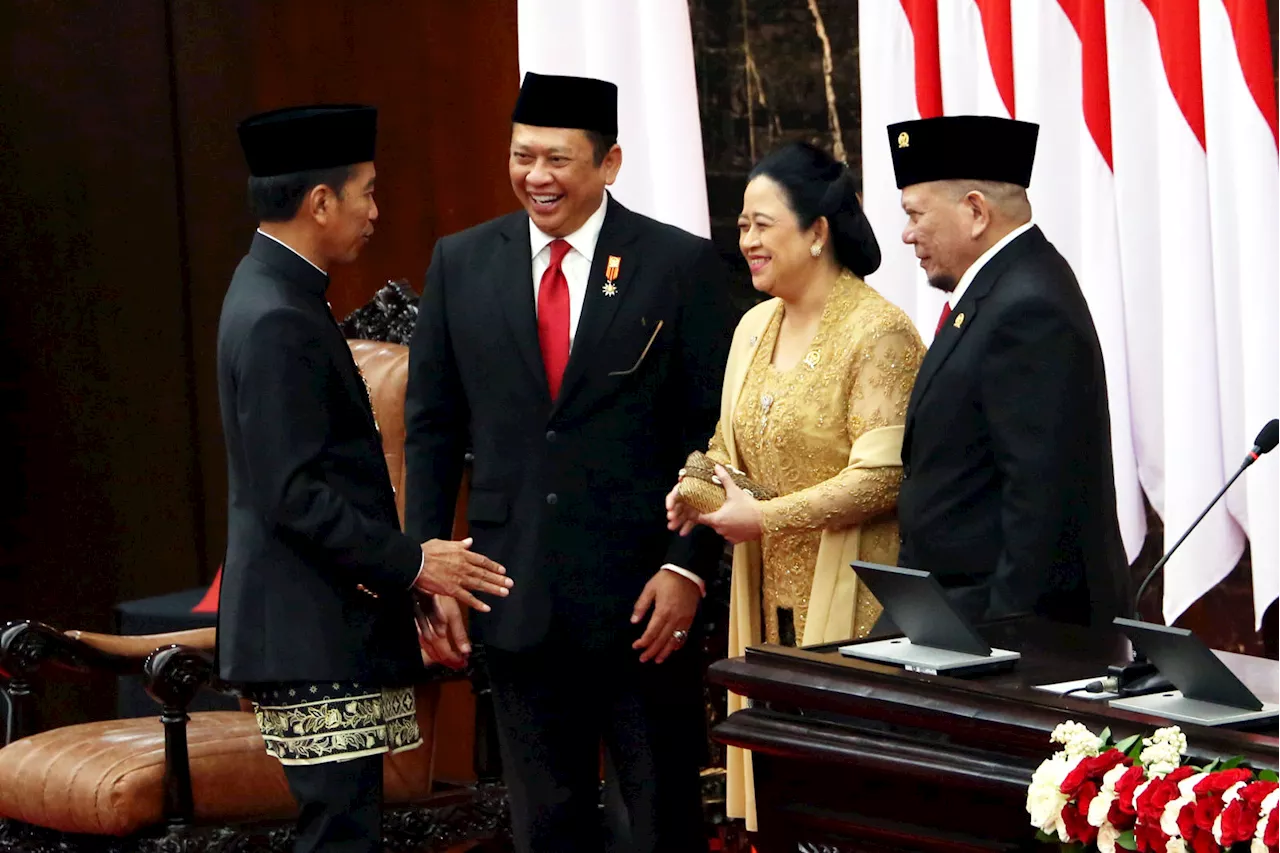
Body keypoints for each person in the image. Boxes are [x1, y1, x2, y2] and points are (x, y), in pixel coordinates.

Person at [402, 73, 737, 853]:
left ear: (609, 163)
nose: (537, 177)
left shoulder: (679, 266)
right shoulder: (462, 262)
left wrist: (688, 567)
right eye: (523, 157)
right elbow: (432, 428)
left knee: (655, 824)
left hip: (643, 603)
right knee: (544, 827)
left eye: (558, 159)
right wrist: (431, 569)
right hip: (511, 593)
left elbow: (716, 435)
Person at [216, 104, 512, 853]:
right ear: (321, 201)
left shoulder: (276, 292)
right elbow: (294, 495)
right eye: (367, 192)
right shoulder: (277, 317)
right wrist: (416, 560)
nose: (375, 212)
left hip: (325, 621)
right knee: (340, 837)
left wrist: (407, 585)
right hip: (307, 630)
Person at [665, 141, 925, 830]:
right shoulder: (754, 326)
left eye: (761, 223)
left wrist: (767, 517)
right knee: (784, 803)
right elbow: (730, 446)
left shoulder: (879, 331)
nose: (745, 239)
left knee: (848, 810)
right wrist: (696, 485)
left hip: (859, 607)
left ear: (816, 231)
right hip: (765, 600)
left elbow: (884, 474)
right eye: (742, 224)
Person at [887, 114, 1129, 628]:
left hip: (1000, 626)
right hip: (951, 611)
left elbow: (1040, 502)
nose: (907, 234)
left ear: (975, 211)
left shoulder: (1027, 306)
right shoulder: (1000, 288)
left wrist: (1004, 646)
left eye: (915, 213)